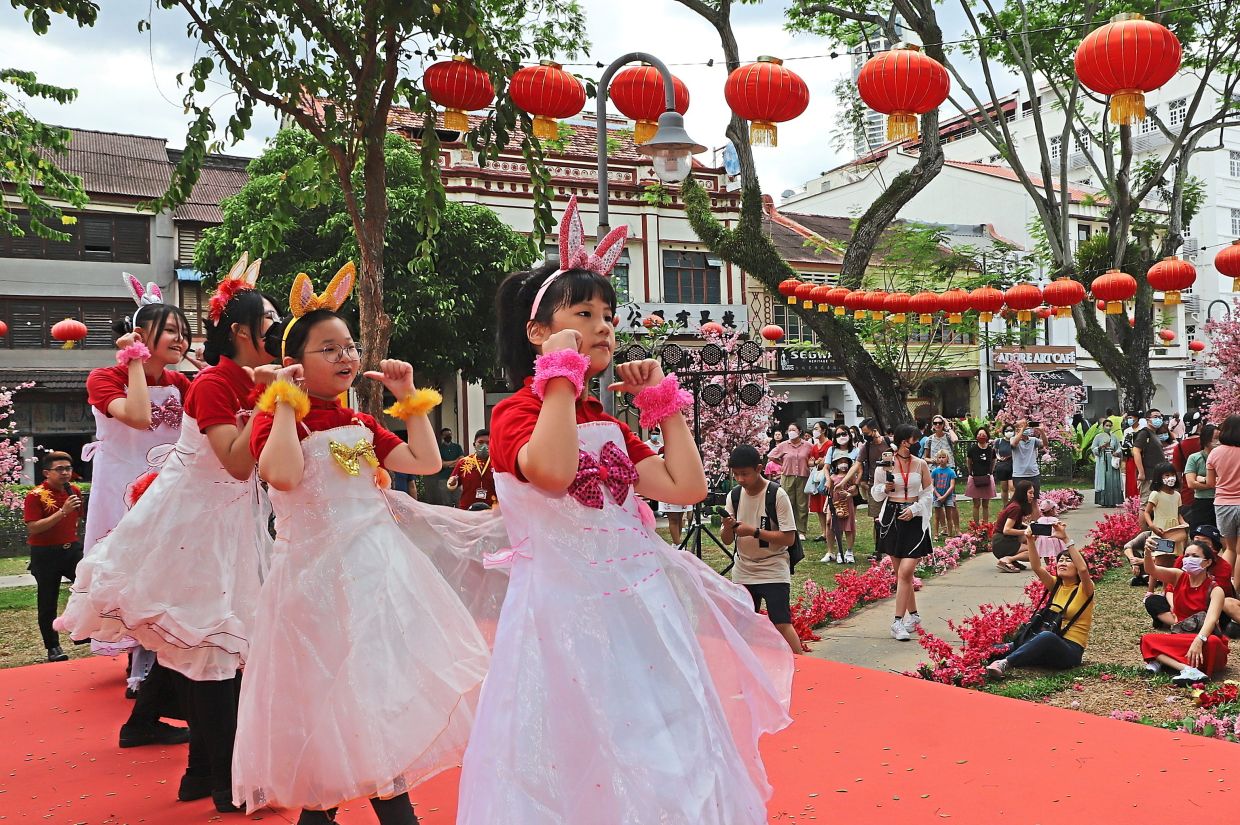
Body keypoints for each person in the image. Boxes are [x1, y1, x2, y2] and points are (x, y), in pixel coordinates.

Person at [457, 197, 793, 825]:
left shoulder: (608, 421)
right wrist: (558, 374)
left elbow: (686, 486)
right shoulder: (514, 414)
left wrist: (662, 404)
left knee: (663, 744)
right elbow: (553, 474)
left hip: (639, 611)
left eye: (608, 314)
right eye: (583, 313)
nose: (604, 326)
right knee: (574, 754)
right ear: (538, 331)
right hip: (560, 619)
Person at [233, 264, 506, 824]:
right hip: (311, 586)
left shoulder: (360, 421)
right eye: (327, 348)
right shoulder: (279, 419)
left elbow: (425, 462)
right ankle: (334, 808)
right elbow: (281, 476)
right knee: (325, 702)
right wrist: (283, 400)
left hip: (375, 579)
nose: (344, 357)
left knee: (373, 695)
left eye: (348, 346)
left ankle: (365, 806)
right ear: (296, 361)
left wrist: (410, 401)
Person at [58, 258, 280, 812]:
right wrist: (270, 404)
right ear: (241, 333)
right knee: (214, 650)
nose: (277, 336)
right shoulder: (213, 384)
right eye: (269, 326)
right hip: (193, 524)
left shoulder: (232, 380)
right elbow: (233, 461)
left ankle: (202, 775)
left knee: (216, 648)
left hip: (229, 522)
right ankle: (224, 784)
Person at [83, 274, 193, 745]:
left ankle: (150, 690)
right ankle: (144, 683)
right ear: (141, 334)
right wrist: (133, 363)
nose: (181, 339)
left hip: (169, 490)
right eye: (171, 330)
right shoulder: (104, 377)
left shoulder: (183, 382)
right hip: (122, 488)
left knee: (167, 586)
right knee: (135, 584)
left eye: (183, 331)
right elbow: (141, 417)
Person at [721, 445, 804, 655]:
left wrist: (754, 532)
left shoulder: (777, 495)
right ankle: (746, 665)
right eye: (736, 474)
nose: (740, 479)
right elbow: (727, 539)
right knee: (742, 623)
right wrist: (729, 527)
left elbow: (789, 538)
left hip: (773, 566)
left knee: (781, 622)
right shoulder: (734, 496)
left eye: (745, 474)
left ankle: (802, 663)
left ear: (759, 469)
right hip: (743, 569)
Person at [986, 521, 1094, 679]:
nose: (1062, 563)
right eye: (1061, 560)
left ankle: (1005, 663)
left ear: (1076, 567)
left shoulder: (1085, 588)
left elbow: (1084, 569)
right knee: (996, 648)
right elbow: (1037, 567)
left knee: (1046, 637)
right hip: (1043, 643)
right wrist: (1030, 539)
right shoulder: (1056, 585)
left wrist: (1065, 539)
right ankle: (976, 661)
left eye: (1068, 560)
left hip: (1069, 650)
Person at [873, 423, 934, 641]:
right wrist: (884, 488)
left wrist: (916, 508)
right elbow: (876, 493)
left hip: (914, 518)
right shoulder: (885, 465)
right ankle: (914, 616)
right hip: (892, 517)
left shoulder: (921, 465)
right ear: (902, 441)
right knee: (901, 574)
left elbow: (928, 493)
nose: (916, 444)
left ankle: (897, 621)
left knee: (906, 572)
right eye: (913, 440)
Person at [1139, 540, 1229, 685]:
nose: (1188, 559)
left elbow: (1211, 620)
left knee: (1213, 642)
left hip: (1204, 640)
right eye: (1186, 555)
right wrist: (1148, 552)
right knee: (1147, 640)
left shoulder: (1216, 590)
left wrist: (1199, 640)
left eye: (1194, 556)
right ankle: (1187, 669)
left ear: (1207, 562)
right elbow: (1151, 570)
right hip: (1182, 637)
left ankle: (1162, 660)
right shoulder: (1178, 576)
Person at [23, 451, 83, 663]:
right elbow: (34, 528)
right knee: (48, 601)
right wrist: (62, 512)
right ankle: (53, 647)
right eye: (60, 469)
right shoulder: (35, 495)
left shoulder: (74, 491)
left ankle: (82, 633)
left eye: (68, 469)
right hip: (45, 554)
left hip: (72, 551)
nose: (65, 473)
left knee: (88, 590)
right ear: (46, 472)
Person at [768, 422, 814, 540]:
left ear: (799, 431)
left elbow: (813, 457)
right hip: (788, 475)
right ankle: (789, 529)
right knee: (788, 503)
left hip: (803, 476)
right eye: (789, 430)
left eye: (793, 430)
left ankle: (801, 530)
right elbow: (771, 456)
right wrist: (782, 464)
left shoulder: (808, 445)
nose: (791, 432)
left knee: (802, 504)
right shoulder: (783, 445)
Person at [1206, 414, 1240, 566]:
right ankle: (1237, 588)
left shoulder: (1215, 453)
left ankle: (1225, 585)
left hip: (1222, 504)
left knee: (1230, 549)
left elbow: (1210, 482)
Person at [1142, 462, 1189, 558]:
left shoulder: (1177, 495)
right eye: (1167, 475)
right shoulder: (1156, 494)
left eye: (1173, 474)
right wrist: (1152, 526)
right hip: (1161, 529)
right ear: (1159, 477)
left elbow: (1178, 514)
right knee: (1160, 554)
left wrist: (1183, 524)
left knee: (1175, 555)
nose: (1171, 477)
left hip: (1174, 530)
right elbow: (1147, 512)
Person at [447, 429, 498, 511]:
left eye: (488, 443)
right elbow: (450, 485)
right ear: (474, 444)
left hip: (492, 509)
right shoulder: (463, 462)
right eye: (480, 442)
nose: (484, 446)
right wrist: (453, 482)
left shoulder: (498, 463)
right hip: (467, 508)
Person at [993, 480, 1036, 572]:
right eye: (1030, 493)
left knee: (1032, 538)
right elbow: (1007, 530)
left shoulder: (1015, 505)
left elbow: (1014, 524)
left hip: (1002, 540)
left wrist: (1028, 526)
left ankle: (1012, 560)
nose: (1032, 496)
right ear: (1022, 493)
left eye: (1033, 493)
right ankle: (1008, 559)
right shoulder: (1016, 508)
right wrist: (1026, 530)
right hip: (1002, 542)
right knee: (1036, 553)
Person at [857, 419, 892, 525]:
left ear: (874, 430)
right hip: (874, 485)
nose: (865, 436)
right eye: (863, 433)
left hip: (891, 485)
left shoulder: (889, 442)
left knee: (890, 517)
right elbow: (857, 464)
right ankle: (878, 541)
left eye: (866, 433)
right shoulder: (866, 447)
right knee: (877, 520)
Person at [1132, 408, 1171, 502]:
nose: (1158, 419)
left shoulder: (1154, 434)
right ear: (1147, 419)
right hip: (1148, 476)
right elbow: (1136, 451)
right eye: (1155, 417)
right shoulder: (1144, 433)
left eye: (1160, 417)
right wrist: (1141, 473)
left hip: (1157, 475)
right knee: (1146, 503)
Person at [824, 455, 857, 564]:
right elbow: (829, 494)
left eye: (845, 462)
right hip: (835, 505)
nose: (843, 465)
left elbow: (855, 491)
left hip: (848, 504)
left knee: (848, 528)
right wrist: (827, 505)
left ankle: (849, 551)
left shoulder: (851, 477)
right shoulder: (832, 477)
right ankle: (839, 552)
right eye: (840, 462)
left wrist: (849, 494)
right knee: (837, 529)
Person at [1182, 423, 1215, 527]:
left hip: (1220, 500)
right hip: (1202, 501)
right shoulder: (1194, 458)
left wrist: (1203, 479)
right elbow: (1191, 483)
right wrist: (1211, 483)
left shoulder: (1223, 457)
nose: (1219, 442)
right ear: (1206, 440)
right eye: (1216, 439)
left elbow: (1226, 480)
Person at [422, 427, 464, 506]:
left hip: (456, 478)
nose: (448, 436)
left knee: (459, 500)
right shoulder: (439, 449)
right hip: (443, 478)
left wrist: (447, 464)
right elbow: (441, 464)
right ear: (442, 437)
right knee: (446, 502)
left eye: (449, 434)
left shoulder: (457, 447)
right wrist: (455, 461)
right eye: (446, 435)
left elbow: (461, 461)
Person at [965, 427, 997, 525]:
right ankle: (976, 525)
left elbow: (993, 462)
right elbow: (969, 463)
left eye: (983, 435)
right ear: (976, 436)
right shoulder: (972, 450)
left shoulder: (991, 450)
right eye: (979, 434)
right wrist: (971, 473)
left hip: (987, 477)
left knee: (986, 505)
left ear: (987, 436)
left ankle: (986, 525)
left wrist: (990, 472)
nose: (981, 436)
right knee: (976, 504)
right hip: (975, 478)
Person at [806, 427, 831, 542]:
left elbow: (826, 461)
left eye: (817, 428)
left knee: (826, 505)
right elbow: (810, 462)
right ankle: (823, 532)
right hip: (816, 478)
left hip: (827, 477)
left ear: (824, 430)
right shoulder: (814, 446)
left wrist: (818, 461)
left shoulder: (829, 444)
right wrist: (816, 461)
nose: (814, 431)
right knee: (818, 507)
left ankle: (830, 531)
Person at [1008, 419, 1045, 497]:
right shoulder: (1013, 439)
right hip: (1019, 475)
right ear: (1017, 429)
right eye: (1023, 426)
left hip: (1033, 474)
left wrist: (1042, 431)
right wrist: (1022, 430)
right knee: (1020, 499)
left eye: (1026, 425)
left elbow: (1045, 444)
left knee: (1034, 499)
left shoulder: (1033, 440)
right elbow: (1014, 444)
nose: (1026, 428)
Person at [1092, 418, 1124, 507]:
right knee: (1105, 479)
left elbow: (1119, 447)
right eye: (1107, 425)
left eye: (1110, 426)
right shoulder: (1098, 437)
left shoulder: (1114, 437)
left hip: (1113, 460)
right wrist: (1100, 447)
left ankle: (1114, 500)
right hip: (1103, 460)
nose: (1108, 427)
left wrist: (1117, 452)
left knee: (1114, 479)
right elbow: (1093, 448)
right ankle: (1104, 501)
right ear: (1103, 426)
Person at [930, 449, 959, 538]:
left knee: (949, 516)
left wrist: (945, 496)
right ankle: (935, 534)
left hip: (948, 497)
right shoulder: (934, 471)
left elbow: (952, 486)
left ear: (947, 459)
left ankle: (950, 534)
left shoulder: (951, 472)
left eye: (943, 457)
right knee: (937, 516)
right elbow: (931, 485)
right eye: (940, 457)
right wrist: (938, 495)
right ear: (937, 459)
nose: (942, 459)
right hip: (937, 496)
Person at [994, 424, 1015, 505]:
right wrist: (999, 458)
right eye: (1007, 430)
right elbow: (995, 452)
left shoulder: (1015, 441)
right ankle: (1005, 505)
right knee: (1004, 488)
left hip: (1013, 465)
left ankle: (1013, 505)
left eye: (1011, 430)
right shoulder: (998, 441)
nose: (1009, 432)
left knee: (1012, 487)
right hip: (1002, 467)